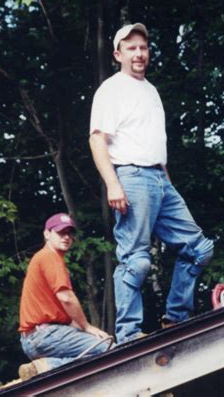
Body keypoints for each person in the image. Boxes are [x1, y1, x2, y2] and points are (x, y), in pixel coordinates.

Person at [89, 23, 214, 344]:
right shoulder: (112, 89)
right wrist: (113, 185)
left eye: (143, 47)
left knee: (199, 249)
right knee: (136, 260)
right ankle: (129, 335)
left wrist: (168, 185)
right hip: (131, 177)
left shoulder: (151, 90)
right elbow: (97, 139)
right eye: (131, 48)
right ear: (118, 54)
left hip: (159, 179)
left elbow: (155, 147)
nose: (139, 53)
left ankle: (176, 319)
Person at [18, 213, 113, 380]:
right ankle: (51, 366)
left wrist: (86, 331)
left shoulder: (44, 258)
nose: (67, 237)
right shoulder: (49, 257)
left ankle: (45, 367)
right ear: (47, 234)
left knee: (94, 356)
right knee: (107, 348)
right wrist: (87, 327)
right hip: (44, 335)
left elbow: (62, 314)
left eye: (70, 233)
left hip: (36, 337)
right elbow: (66, 298)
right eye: (61, 232)